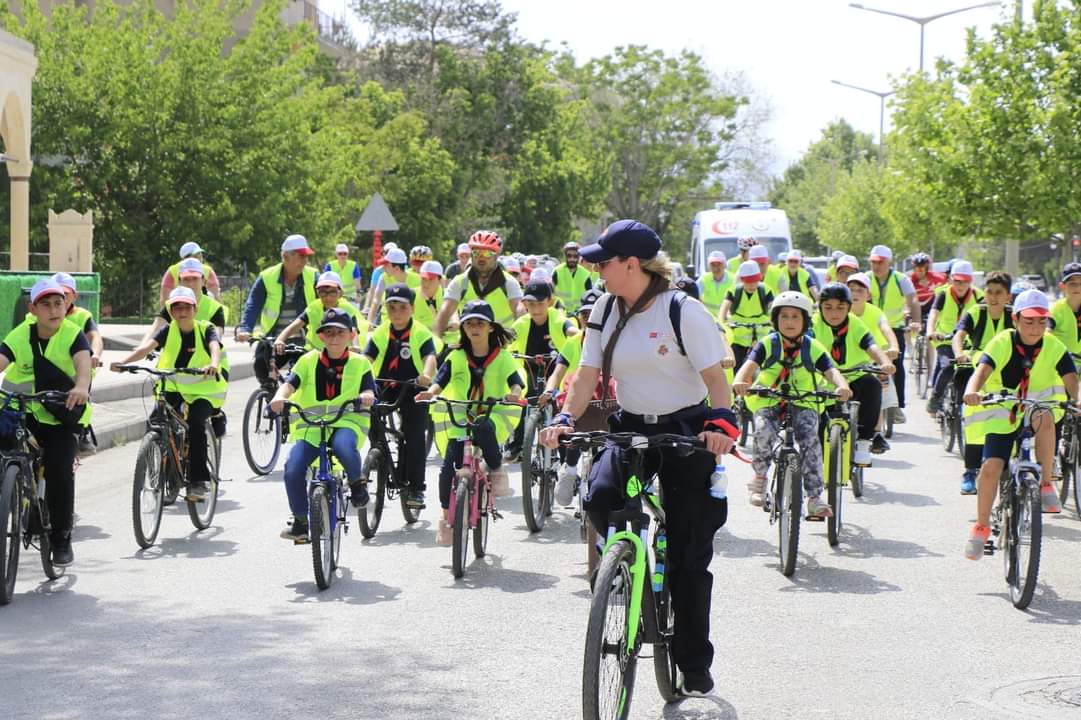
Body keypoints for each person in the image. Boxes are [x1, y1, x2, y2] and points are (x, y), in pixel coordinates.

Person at [540, 219, 739, 698]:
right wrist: (566, 419)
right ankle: (626, 571)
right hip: (630, 424)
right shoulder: (605, 309)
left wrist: (721, 424)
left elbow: (716, 377)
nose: (595, 269)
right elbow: (586, 375)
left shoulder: (682, 311)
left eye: (602, 262)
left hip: (687, 427)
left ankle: (692, 660)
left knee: (691, 550)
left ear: (632, 264)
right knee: (601, 496)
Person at [963, 290, 1074, 560]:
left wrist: (1078, 399)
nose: (1036, 328)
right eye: (1029, 321)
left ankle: (1046, 483)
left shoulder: (1053, 346)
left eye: (1041, 321)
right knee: (991, 467)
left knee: (1046, 419)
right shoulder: (1002, 342)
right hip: (1003, 406)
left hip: (1037, 405)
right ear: (1015, 319)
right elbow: (982, 370)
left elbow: (1070, 376)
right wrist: (972, 390)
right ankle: (981, 527)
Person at [732, 291, 852, 516]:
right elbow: (748, 366)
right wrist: (740, 381)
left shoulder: (812, 346)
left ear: (805, 321)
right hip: (768, 398)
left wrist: (841, 386)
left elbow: (830, 370)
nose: (789, 322)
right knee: (763, 431)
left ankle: (815, 497)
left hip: (804, 400)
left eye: (795, 317)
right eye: (784, 316)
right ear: (775, 319)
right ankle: (759, 480)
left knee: (810, 438)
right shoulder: (768, 343)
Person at [0, 278, 92, 566]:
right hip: (22, 412)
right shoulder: (20, 334)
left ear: (66, 305)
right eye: (46, 304)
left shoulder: (74, 334)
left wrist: (80, 387)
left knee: (59, 469)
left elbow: (83, 365)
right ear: (33, 309)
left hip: (61, 415)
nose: (53, 310)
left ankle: (61, 538)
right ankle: (11, 498)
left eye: (58, 303)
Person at [417, 300, 524, 544]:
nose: (474, 327)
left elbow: (516, 381)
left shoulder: (502, 356)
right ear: (463, 328)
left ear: (490, 328)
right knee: (446, 472)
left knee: (484, 427)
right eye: (469, 323)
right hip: (461, 416)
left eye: (480, 323)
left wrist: (514, 393)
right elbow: (440, 381)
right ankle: (447, 520)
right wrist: (431, 393)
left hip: (493, 412)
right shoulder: (456, 356)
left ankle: (496, 468)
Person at [270, 308, 377, 542]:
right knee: (293, 468)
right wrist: (280, 396)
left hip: (347, 421)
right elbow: (290, 384)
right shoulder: (307, 361)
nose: (335, 337)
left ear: (351, 335)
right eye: (329, 332)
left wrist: (367, 395)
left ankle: (357, 483)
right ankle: (300, 522)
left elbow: (369, 388)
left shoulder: (361, 364)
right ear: (321, 337)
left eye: (340, 332)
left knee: (343, 446)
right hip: (312, 426)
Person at [110, 286, 226, 501]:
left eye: (187, 307)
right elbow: (145, 349)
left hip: (203, 387)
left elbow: (214, 346)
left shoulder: (205, 328)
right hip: (173, 386)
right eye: (177, 308)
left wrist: (213, 364)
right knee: (155, 422)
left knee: (196, 424)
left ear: (195, 308)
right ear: (171, 311)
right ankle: (166, 475)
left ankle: (198, 482)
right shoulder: (168, 330)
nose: (182, 312)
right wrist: (124, 363)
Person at [362, 284, 438, 509]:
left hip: (413, 386)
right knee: (368, 416)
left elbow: (430, 357)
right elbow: (367, 357)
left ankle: (416, 488)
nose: (396, 313)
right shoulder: (381, 331)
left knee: (414, 434)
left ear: (412, 308)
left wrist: (426, 375)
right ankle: (378, 453)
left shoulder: (421, 332)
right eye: (391, 307)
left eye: (402, 307)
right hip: (385, 385)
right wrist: (360, 373)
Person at [812, 283, 895, 466]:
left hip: (854, 375)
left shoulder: (855, 323)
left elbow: (871, 345)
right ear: (820, 307)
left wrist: (885, 362)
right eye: (828, 307)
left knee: (872, 385)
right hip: (824, 378)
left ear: (849, 307)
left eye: (841, 308)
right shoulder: (812, 323)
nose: (834, 313)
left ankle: (864, 443)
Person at [952, 271, 1013, 494]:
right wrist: (960, 353)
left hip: (1006, 371)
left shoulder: (1014, 316)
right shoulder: (976, 312)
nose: (993, 296)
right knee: (974, 420)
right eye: (989, 291)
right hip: (977, 366)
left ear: (1008, 296)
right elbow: (958, 336)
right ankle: (970, 471)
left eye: (999, 292)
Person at [542, 288, 604, 506]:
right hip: (574, 400)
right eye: (584, 315)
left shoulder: (614, 338)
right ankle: (568, 470)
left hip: (605, 401)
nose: (588, 319)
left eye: (593, 314)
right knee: (572, 423)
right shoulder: (574, 341)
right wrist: (549, 390)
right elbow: (557, 372)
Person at [505, 281, 578, 460]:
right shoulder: (521, 323)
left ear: (550, 302)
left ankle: (563, 451)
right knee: (522, 401)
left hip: (557, 372)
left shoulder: (558, 319)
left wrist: (579, 333)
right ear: (524, 304)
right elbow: (505, 339)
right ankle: (516, 445)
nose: (535, 308)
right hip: (530, 369)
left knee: (559, 407)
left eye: (540, 303)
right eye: (530, 304)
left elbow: (570, 329)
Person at [237, 234, 318, 388]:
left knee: (300, 376)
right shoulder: (267, 277)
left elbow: (326, 300)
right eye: (301, 256)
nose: (305, 261)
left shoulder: (313, 276)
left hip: (304, 339)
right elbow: (253, 305)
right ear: (285, 256)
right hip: (273, 339)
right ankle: (269, 395)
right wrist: (245, 329)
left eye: (306, 257)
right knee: (261, 364)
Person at [433, 231, 524, 337]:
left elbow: (520, 310)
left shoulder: (509, 282)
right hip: (468, 344)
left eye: (487, 253)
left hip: (502, 343)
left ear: (496, 256)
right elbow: (445, 312)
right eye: (476, 253)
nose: (481, 257)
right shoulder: (460, 282)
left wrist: (516, 336)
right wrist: (435, 344)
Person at [847, 272, 900, 453]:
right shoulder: (839, 312)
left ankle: (876, 433)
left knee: (880, 385)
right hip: (845, 362)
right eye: (851, 289)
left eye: (860, 290)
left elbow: (886, 329)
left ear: (868, 295)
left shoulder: (876, 312)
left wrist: (893, 346)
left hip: (873, 359)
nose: (855, 293)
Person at [868, 244, 921, 422]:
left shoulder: (900, 279)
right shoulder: (865, 279)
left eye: (880, 262)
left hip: (894, 328)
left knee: (896, 366)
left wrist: (915, 321)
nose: (876, 266)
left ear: (889, 262)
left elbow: (913, 299)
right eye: (873, 262)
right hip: (869, 328)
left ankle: (897, 406)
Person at [926, 260, 981, 415]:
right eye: (957, 281)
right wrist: (931, 332)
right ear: (951, 279)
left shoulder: (979, 296)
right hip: (945, 339)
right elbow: (933, 315)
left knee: (971, 370)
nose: (960, 285)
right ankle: (935, 398)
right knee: (947, 366)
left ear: (971, 281)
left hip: (968, 342)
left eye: (965, 281)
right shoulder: (944, 294)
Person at [274, 271, 367, 353]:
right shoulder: (313, 308)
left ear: (340, 293)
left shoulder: (347, 309)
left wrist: (355, 347)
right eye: (322, 292)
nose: (327, 297)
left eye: (332, 292)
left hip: (341, 354)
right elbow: (296, 325)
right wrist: (280, 339)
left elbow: (354, 331)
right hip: (316, 353)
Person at [144, 258, 227, 343]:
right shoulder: (171, 305)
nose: (190, 284)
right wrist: (142, 348)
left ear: (203, 281)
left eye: (195, 278)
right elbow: (156, 327)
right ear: (179, 282)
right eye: (186, 279)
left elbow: (216, 337)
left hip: (205, 355)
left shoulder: (215, 308)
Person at [719, 260, 775, 370]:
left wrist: (775, 323)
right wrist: (722, 325)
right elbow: (723, 309)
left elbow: (773, 309)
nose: (752, 285)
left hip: (761, 338)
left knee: (766, 367)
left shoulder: (766, 290)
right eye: (748, 281)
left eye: (755, 281)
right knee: (735, 365)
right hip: (737, 338)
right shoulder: (734, 291)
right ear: (742, 279)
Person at [367, 247, 422, 326]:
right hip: (387, 323)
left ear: (396, 268)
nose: (383, 267)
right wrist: (369, 322)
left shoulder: (418, 280)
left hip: (411, 323)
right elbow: (376, 301)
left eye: (386, 265)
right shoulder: (383, 277)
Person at [551, 241, 595, 313]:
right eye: (569, 256)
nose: (572, 259)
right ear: (565, 256)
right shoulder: (557, 271)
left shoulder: (586, 274)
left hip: (579, 313)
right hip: (560, 312)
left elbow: (589, 296)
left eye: (575, 256)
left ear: (579, 257)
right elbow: (551, 293)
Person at [1049, 262, 1081, 355]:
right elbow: (1047, 330)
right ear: (1062, 286)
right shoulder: (1057, 309)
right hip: (1062, 363)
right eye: (1072, 284)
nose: (1078, 287)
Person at [909, 252, 947, 322]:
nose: (919, 272)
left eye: (922, 269)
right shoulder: (909, 281)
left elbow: (949, 282)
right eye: (916, 269)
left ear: (927, 269)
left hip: (932, 310)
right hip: (915, 311)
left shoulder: (937, 278)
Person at [696, 251, 734, 319]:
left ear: (724, 265)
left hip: (728, 319)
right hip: (709, 319)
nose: (716, 268)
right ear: (709, 266)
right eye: (713, 265)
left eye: (719, 264)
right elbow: (694, 294)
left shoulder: (733, 279)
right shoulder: (704, 279)